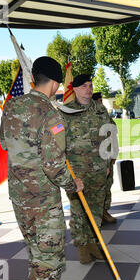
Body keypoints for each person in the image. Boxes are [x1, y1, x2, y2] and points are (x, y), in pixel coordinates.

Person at [0, 56, 84, 280]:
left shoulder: (11, 106)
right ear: (56, 83)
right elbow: (53, 165)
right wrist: (72, 184)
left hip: (19, 197)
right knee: (49, 261)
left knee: (36, 252)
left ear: (33, 78)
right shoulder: (50, 114)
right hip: (43, 202)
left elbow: (4, 143)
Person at [60, 75, 116, 264]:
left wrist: (108, 164)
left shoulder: (100, 109)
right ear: (74, 89)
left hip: (100, 169)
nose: (88, 88)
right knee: (78, 210)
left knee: (96, 209)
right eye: (83, 86)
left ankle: (94, 242)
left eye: (90, 85)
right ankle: (82, 245)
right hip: (77, 171)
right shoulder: (66, 111)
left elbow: (109, 137)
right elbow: (59, 143)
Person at [92, 91, 118, 224]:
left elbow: (113, 132)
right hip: (98, 159)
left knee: (108, 185)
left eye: (102, 100)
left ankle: (104, 211)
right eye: (99, 101)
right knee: (98, 188)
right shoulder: (93, 117)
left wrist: (114, 155)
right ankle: (97, 214)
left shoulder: (105, 115)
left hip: (109, 157)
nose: (101, 103)